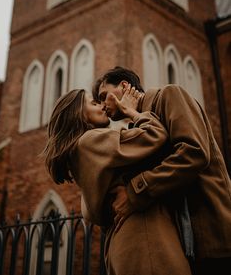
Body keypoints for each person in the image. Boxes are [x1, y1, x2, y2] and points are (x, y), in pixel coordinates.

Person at [93, 66, 231, 275]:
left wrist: (135, 191)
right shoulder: (138, 126)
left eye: (104, 96)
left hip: (212, 238)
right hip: (184, 245)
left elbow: (194, 153)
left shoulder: (168, 95)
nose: (102, 106)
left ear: (123, 86)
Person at [43, 86, 192, 275]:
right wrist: (131, 111)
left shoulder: (81, 153)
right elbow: (156, 134)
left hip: (125, 241)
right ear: (78, 113)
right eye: (94, 102)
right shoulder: (90, 141)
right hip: (144, 236)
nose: (102, 106)